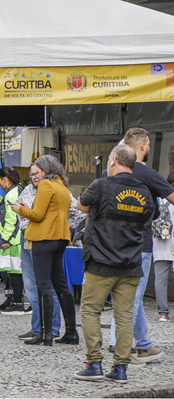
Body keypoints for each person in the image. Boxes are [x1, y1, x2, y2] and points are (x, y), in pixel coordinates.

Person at [73, 145, 153, 384]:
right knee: (125, 316)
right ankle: (120, 370)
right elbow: (150, 216)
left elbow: (80, 206)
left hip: (100, 262)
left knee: (89, 311)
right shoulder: (145, 191)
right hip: (131, 264)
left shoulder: (101, 185)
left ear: (114, 161)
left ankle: (94, 363)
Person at [106, 128, 174, 363]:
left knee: (128, 295)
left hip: (114, 242)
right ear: (144, 146)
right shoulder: (148, 173)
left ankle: (143, 345)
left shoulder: (112, 170)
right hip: (140, 243)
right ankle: (118, 347)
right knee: (131, 298)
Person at [11, 155, 78, 346]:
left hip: (43, 239)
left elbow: (37, 215)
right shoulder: (62, 186)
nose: (35, 176)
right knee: (61, 285)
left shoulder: (46, 185)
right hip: (60, 239)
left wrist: (19, 209)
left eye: (37, 172)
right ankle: (71, 332)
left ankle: (45, 334)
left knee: (43, 286)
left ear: (46, 169)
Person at [0, 167, 25, 315]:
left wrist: (6, 239)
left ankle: (18, 302)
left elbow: (11, 220)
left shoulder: (11, 195)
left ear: (5, 180)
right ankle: (14, 299)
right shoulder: (14, 192)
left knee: (14, 272)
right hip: (13, 240)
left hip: (12, 241)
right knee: (10, 272)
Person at [152, 171, 174, 322]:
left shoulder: (158, 199)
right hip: (172, 242)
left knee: (160, 278)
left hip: (160, 243)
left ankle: (163, 313)